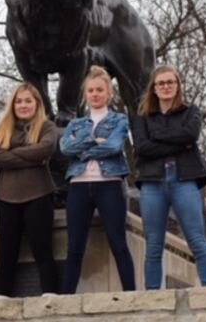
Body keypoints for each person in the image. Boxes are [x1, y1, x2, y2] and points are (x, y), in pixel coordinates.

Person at [131, 64, 206, 289]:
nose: (166, 86)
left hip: (184, 180)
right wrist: (179, 144)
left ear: (178, 86)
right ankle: (152, 296)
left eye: (171, 82)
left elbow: (191, 134)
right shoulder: (142, 118)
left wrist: (157, 138)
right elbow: (141, 148)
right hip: (152, 182)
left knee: (197, 240)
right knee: (153, 245)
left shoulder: (191, 112)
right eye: (161, 83)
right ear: (154, 89)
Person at [59, 65, 136, 293]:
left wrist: (82, 150)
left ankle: (131, 294)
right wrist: (96, 142)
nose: (95, 94)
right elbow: (65, 147)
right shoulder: (75, 123)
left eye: (100, 90)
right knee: (74, 246)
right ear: (85, 94)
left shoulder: (119, 120)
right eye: (91, 90)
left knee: (118, 242)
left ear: (108, 93)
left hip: (109, 184)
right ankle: (66, 297)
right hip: (79, 186)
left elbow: (114, 146)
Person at [0, 83, 59, 297]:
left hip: (39, 194)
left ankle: (50, 295)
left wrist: (13, 152)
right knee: (6, 254)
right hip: (5, 196)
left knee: (43, 250)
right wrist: (31, 155)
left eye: (28, 101)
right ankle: (1, 298)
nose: (23, 105)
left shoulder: (47, 127)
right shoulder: (3, 128)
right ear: (13, 105)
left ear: (37, 104)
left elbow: (45, 149)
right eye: (19, 101)